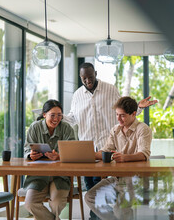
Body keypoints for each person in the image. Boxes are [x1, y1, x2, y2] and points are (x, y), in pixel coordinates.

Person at [65, 62, 157, 190]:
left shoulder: (110, 89)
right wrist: (54, 117)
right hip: (88, 145)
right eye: (84, 78)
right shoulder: (76, 95)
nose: (87, 80)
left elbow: (124, 109)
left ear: (95, 74)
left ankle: (99, 208)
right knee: (89, 184)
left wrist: (138, 107)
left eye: (90, 77)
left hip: (106, 142)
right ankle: (97, 208)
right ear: (80, 77)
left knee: (98, 184)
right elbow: (72, 118)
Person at [84, 96, 152, 219]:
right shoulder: (115, 130)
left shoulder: (143, 129)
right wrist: (84, 154)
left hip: (136, 181)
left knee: (120, 209)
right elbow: (105, 151)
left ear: (134, 114)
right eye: (117, 115)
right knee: (90, 197)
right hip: (117, 179)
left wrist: (124, 157)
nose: (119, 119)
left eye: (122, 115)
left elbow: (143, 154)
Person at [23, 99, 75, 220]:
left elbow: (73, 151)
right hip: (38, 175)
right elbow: (26, 149)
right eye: (52, 115)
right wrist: (30, 155)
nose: (56, 119)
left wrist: (59, 156)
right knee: (30, 204)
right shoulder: (34, 127)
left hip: (60, 176)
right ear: (44, 114)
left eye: (59, 115)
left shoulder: (67, 128)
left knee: (57, 205)